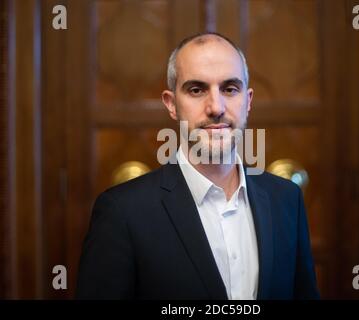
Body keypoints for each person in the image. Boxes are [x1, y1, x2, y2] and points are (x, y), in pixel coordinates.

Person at [75, 32, 320, 300]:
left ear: (248, 101)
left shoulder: (286, 199)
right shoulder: (121, 212)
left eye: (229, 89)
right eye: (196, 89)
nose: (216, 107)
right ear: (171, 104)